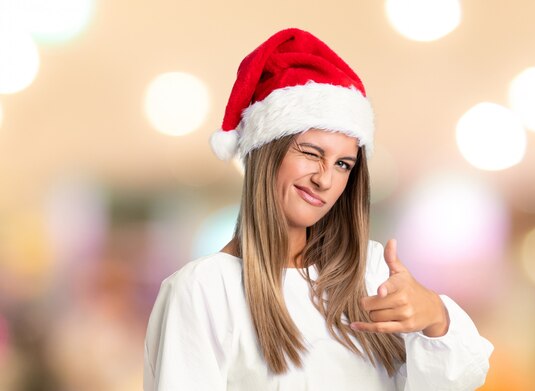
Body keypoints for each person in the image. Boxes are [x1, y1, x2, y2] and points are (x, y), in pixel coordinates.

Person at [143, 28, 494, 390]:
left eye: (343, 164)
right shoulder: (204, 289)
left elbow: (455, 381)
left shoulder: (371, 275)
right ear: (266, 154)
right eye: (311, 153)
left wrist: (435, 317)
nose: (325, 179)